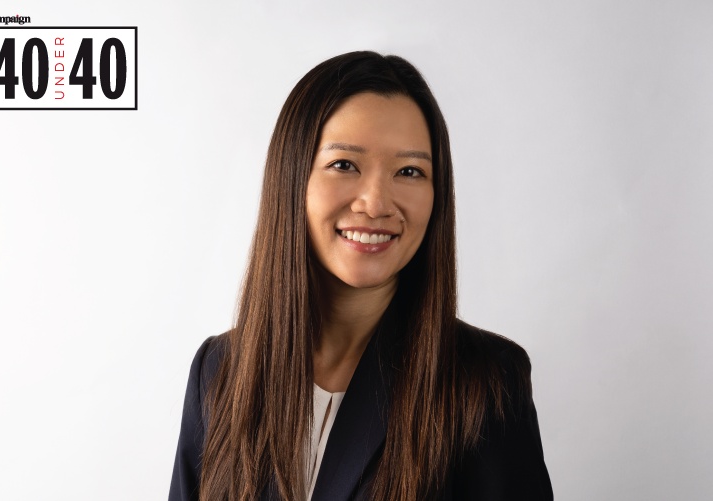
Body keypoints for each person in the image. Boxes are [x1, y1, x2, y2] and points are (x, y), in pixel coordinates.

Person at [169, 51, 553, 501]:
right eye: (345, 165)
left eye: (409, 171)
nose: (376, 203)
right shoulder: (219, 371)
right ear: (292, 177)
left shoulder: (486, 383)